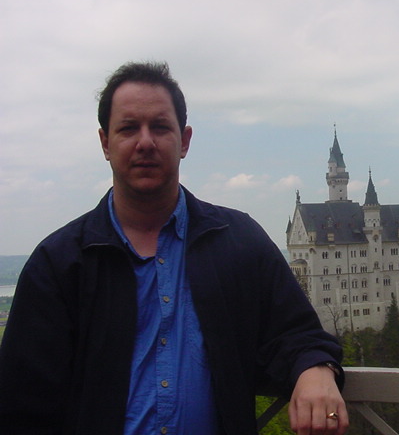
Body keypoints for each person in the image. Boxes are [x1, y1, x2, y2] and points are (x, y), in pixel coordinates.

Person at [0, 62, 349, 435]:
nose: (145, 142)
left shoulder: (239, 241)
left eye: (160, 127)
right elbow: (23, 403)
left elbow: (296, 331)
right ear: (105, 143)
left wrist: (316, 369)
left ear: (184, 141)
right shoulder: (60, 263)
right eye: (128, 128)